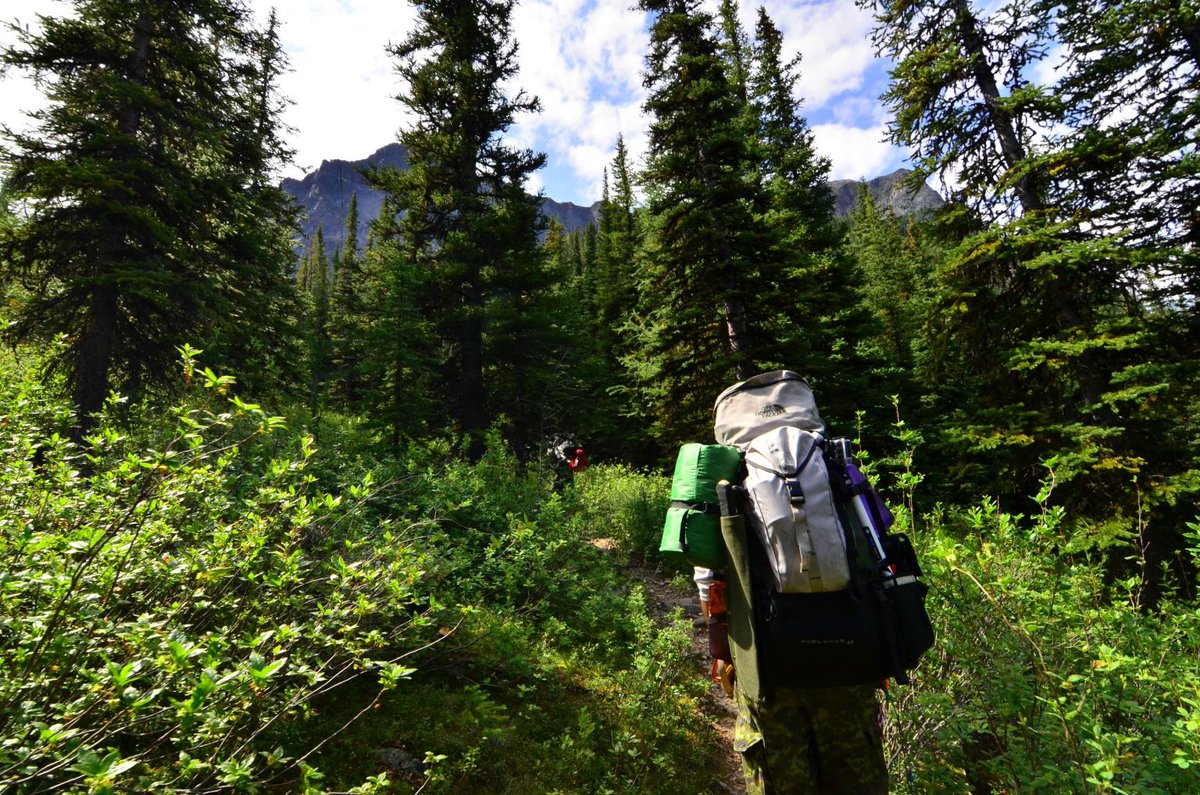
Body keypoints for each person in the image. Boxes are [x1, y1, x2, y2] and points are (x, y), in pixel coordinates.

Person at [695, 565, 889, 795]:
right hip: (847, 664)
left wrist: (726, 653)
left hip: (768, 673)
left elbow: (708, 580)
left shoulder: (729, 526)